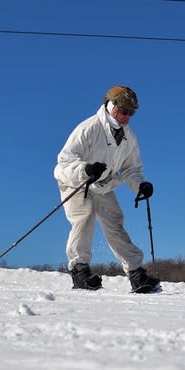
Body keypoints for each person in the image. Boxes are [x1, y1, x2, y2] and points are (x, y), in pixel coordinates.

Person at [53, 85, 158, 291]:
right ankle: (80, 271)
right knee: (85, 217)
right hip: (76, 181)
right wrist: (86, 169)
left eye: (131, 113)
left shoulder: (129, 137)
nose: (127, 116)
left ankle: (136, 273)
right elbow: (64, 161)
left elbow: (131, 169)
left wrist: (140, 184)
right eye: (123, 111)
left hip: (103, 184)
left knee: (115, 223)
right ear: (110, 106)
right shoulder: (89, 128)